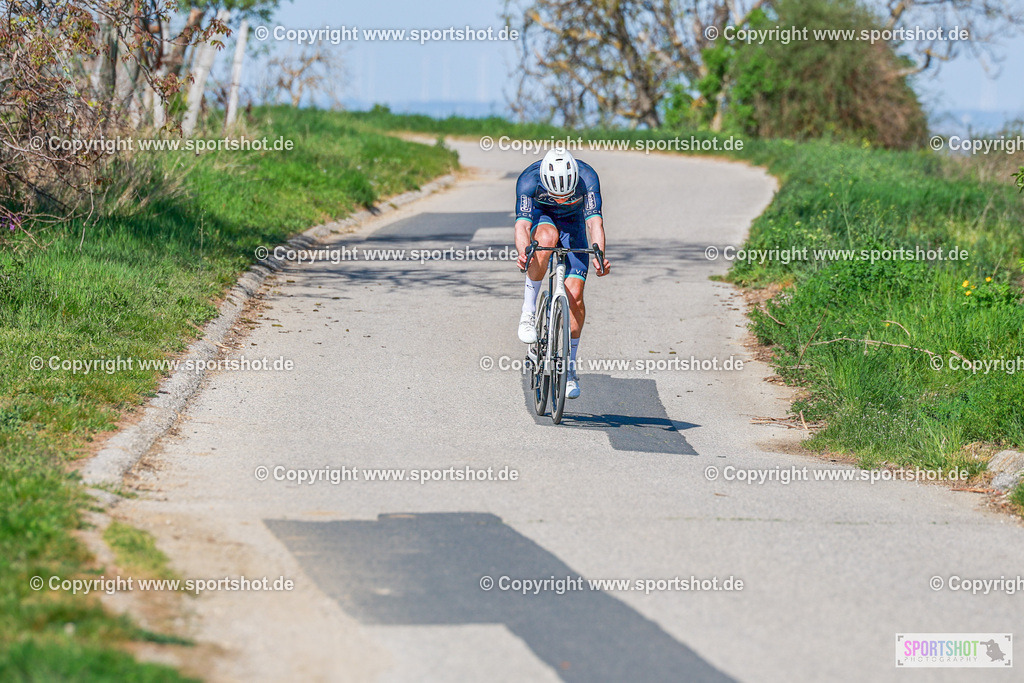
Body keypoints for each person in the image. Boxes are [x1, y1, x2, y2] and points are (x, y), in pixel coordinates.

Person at [514, 148, 611, 399]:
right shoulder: (528, 179)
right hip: (541, 218)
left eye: (566, 195)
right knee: (546, 239)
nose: (559, 199)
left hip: (573, 224)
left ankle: (568, 369)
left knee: (575, 296)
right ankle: (528, 312)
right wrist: (524, 252)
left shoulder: (587, 178)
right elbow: (522, 225)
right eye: (555, 195)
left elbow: (594, 222)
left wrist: (599, 254)